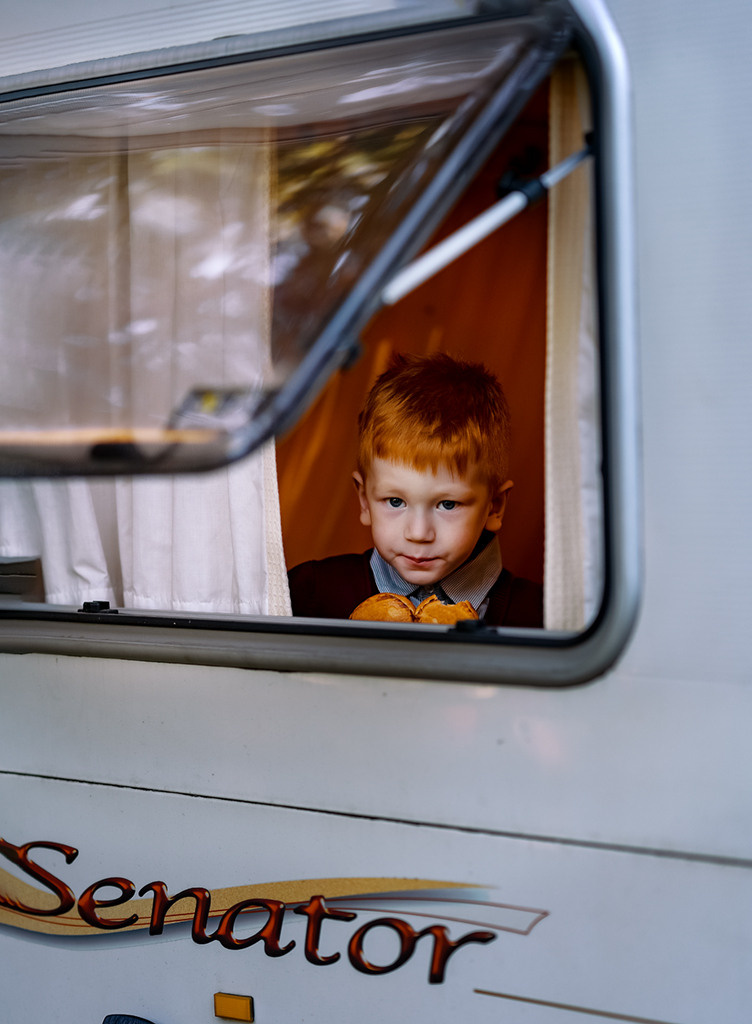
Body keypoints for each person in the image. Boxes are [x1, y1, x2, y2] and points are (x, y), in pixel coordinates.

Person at [288, 353, 543, 627]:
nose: (418, 533)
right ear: (364, 501)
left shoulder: (540, 616)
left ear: (494, 506)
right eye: (396, 501)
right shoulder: (308, 595)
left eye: (447, 504)